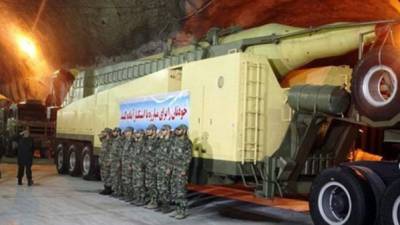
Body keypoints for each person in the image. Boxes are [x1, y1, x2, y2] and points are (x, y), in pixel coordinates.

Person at [170, 124, 192, 219]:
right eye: (176, 129)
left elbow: (188, 158)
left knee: (181, 191)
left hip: (181, 170)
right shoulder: (175, 141)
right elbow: (172, 155)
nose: (177, 131)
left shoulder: (187, 142)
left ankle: (183, 211)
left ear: (184, 130)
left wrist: (184, 169)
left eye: (179, 130)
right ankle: (177, 210)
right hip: (174, 169)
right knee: (174, 190)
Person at [156, 124, 174, 213]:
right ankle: (161, 204)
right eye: (161, 130)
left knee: (165, 187)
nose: (161, 131)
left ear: (168, 130)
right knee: (160, 186)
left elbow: (172, 156)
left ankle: (166, 206)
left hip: (166, 167)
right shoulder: (161, 141)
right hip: (159, 166)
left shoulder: (172, 141)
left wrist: (169, 167)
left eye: (163, 130)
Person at [143, 124, 160, 209]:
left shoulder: (157, 141)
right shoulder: (147, 140)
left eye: (149, 130)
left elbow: (159, 155)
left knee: (153, 184)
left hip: (154, 166)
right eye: (147, 130)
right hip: (148, 166)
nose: (147, 131)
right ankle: (151, 200)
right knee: (148, 184)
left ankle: (155, 202)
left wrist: (157, 166)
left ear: (154, 131)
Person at [131, 128, 146, 206]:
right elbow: (134, 155)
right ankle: (137, 198)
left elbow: (144, 156)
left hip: (140, 166)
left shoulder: (143, 144)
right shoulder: (136, 143)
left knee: (140, 183)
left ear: (142, 134)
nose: (136, 134)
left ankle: (142, 199)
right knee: (136, 183)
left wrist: (141, 165)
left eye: (138, 133)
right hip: (135, 165)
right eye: (136, 133)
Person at [121, 127, 134, 201]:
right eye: (125, 132)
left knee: (129, 180)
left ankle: (130, 196)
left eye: (127, 132)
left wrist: (130, 164)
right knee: (125, 179)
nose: (126, 133)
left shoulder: (132, 142)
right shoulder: (125, 141)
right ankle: (126, 195)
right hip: (124, 163)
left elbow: (132, 154)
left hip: (128, 163)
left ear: (131, 132)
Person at [110, 127, 124, 198]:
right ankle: (115, 190)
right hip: (113, 161)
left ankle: (119, 191)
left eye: (114, 132)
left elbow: (120, 152)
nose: (113, 133)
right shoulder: (115, 140)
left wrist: (119, 161)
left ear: (118, 132)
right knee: (114, 176)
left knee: (117, 177)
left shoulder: (120, 140)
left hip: (117, 161)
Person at [99, 128, 113, 195]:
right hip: (103, 160)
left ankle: (108, 188)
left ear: (108, 133)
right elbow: (100, 137)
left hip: (107, 160)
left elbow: (111, 152)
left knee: (107, 175)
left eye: (105, 132)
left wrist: (110, 161)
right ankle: (105, 187)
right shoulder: (104, 140)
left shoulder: (111, 141)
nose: (103, 133)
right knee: (103, 174)